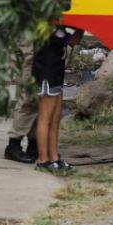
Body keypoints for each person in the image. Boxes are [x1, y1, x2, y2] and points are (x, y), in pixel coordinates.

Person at [32, 24, 83, 173]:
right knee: (45, 118)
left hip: (56, 74)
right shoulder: (46, 26)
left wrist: (83, 24)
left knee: (55, 119)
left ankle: (54, 158)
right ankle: (42, 160)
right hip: (46, 75)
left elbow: (74, 40)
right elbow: (70, 40)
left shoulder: (58, 27)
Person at [4, 40, 39, 163]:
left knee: (38, 98)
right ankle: (13, 144)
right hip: (29, 47)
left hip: (37, 43)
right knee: (28, 99)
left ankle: (33, 144)